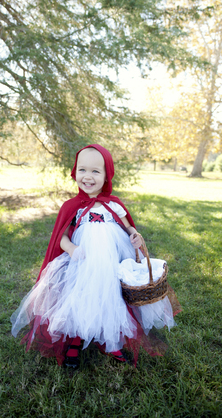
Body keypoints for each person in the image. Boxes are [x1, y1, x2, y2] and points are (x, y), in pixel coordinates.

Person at [11, 144, 181, 369]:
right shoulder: (73, 207)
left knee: (109, 297)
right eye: (82, 170)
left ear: (106, 175)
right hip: (82, 262)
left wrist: (135, 236)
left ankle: (111, 341)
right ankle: (74, 339)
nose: (87, 177)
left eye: (95, 171)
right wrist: (71, 249)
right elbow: (60, 238)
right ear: (74, 172)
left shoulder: (114, 205)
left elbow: (129, 227)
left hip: (110, 261)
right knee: (81, 297)